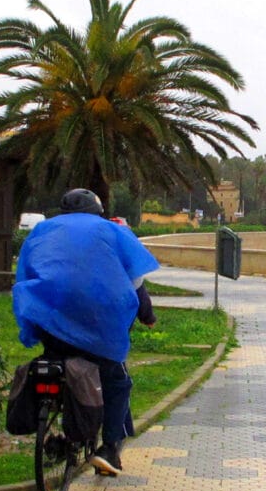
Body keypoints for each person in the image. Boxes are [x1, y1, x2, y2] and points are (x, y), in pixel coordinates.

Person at [12, 188, 160, 476]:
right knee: (117, 382)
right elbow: (135, 283)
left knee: (60, 367)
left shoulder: (43, 231)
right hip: (98, 330)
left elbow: (26, 275)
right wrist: (147, 316)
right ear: (98, 209)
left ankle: (62, 434)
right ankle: (110, 449)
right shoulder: (112, 232)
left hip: (51, 327)